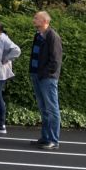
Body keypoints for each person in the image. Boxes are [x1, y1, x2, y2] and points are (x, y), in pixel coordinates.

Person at [30, 11, 63, 150]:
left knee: (52, 109)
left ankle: (53, 140)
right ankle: (45, 137)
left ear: (44, 21)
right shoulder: (38, 35)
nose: (33, 20)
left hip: (47, 78)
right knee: (44, 109)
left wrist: (44, 74)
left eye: (36, 18)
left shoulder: (52, 36)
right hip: (37, 76)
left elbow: (56, 60)